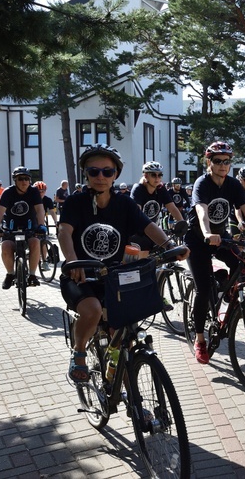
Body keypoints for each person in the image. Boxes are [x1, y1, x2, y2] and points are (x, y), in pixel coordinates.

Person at [58, 144, 187, 382]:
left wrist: (170, 247)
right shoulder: (75, 202)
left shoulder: (124, 203)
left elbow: (148, 227)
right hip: (81, 275)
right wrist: (72, 261)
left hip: (114, 276)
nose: (100, 177)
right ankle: (79, 352)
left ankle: (134, 405)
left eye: (107, 172)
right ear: (85, 173)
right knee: (94, 310)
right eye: (94, 171)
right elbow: (64, 232)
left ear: (115, 174)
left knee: (125, 337)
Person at [185, 142, 245, 364]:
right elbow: (201, 210)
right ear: (210, 162)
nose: (223, 165)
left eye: (227, 161)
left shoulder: (233, 184)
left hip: (221, 237)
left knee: (241, 265)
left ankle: (227, 292)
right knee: (203, 289)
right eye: (218, 161)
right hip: (198, 240)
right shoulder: (202, 183)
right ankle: (199, 340)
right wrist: (207, 233)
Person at [0, 167, 46, 289]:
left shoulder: (34, 192)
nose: (24, 181)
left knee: (35, 242)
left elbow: (40, 209)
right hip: (11, 227)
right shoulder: (8, 192)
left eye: (27, 179)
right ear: (15, 180)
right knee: (6, 246)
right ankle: (10, 274)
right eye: (20, 179)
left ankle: (32, 275)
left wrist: (41, 225)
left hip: (29, 226)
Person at [130, 162, 185, 251]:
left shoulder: (160, 189)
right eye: (153, 175)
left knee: (166, 255)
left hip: (153, 230)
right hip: (137, 231)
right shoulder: (138, 189)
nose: (157, 178)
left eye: (160, 175)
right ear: (146, 175)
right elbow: (137, 214)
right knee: (143, 260)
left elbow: (172, 208)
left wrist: (182, 223)